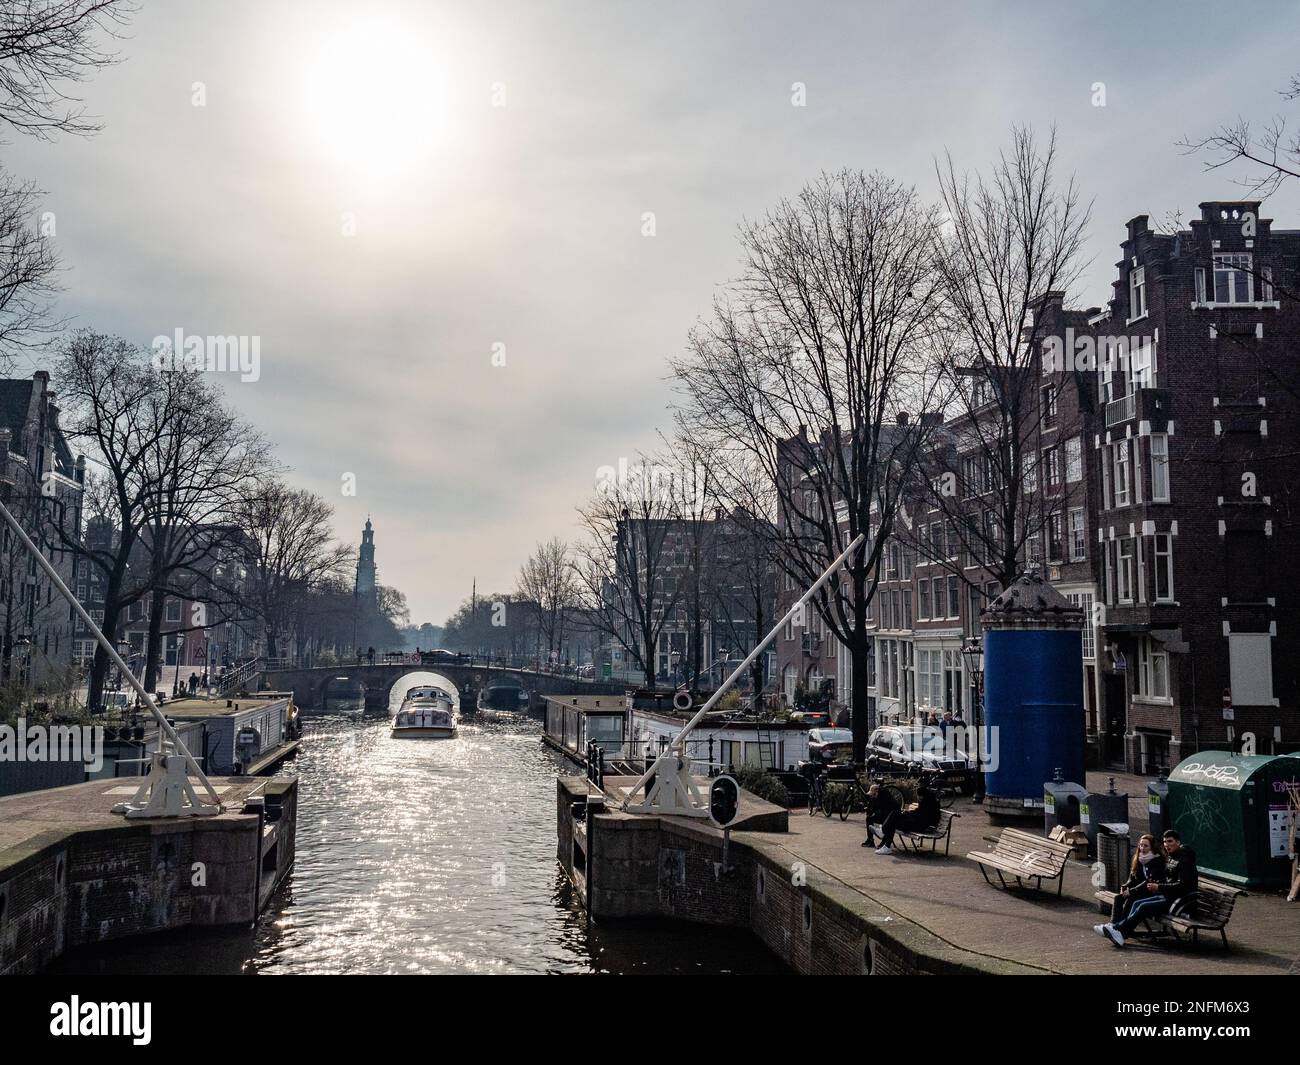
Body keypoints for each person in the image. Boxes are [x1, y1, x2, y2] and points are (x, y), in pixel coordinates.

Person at [1097, 830, 1198, 947]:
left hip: (1181, 903)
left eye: (1170, 841)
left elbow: (1182, 886)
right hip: (1170, 896)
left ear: (1178, 842)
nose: (1167, 845)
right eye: (1165, 842)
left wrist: (1159, 886)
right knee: (1137, 903)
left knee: (1143, 906)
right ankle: (1120, 933)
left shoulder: (1185, 861)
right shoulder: (1172, 857)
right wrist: (1158, 885)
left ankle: (1116, 929)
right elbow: (1168, 880)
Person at [1102, 834, 1165, 927]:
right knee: (1118, 898)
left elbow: (1148, 881)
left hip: (1150, 891)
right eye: (1141, 845)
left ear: (1152, 848)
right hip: (1138, 890)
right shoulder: (1138, 858)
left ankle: (1121, 926)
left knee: (1131, 900)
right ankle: (1113, 924)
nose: (1142, 848)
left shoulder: (1157, 860)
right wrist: (1125, 886)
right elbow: (1133, 877)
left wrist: (1131, 891)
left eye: (1146, 846)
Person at [876, 776, 942, 854]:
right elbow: (918, 812)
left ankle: (884, 835)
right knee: (894, 815)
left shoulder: (929, 805)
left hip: (919, 826)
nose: (918, 798)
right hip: (916, 822)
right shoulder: (927, 801)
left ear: (923, 796)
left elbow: (922, 817)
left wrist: (908, 815)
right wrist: (907, 813)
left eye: (919, 797)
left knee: (894, 818)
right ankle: (886, 843)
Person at [862, 782, 901, 850]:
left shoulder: (884, 794)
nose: (872, 796)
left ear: (877, 790)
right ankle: (870, 840)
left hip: (891, 815)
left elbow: (884, 808)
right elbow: (874, 807)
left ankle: (884, 842)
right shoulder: (875, 796)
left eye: (873, 794)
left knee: (885, 819)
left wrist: (875, 811)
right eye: (871, 795)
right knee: (869, 819)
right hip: (885, 813)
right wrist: (869, 809)